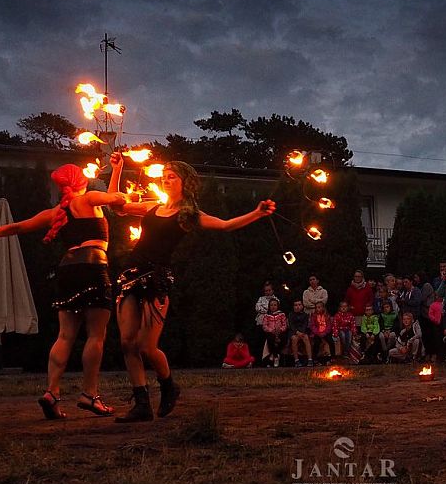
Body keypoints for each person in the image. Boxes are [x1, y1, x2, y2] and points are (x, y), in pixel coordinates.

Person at [108, 153, 274, 422]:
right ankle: (141, 404)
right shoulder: (152, 206)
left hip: (157, 280)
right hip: (130, 276)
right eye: (164, 176)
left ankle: (169, 386)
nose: (165, 179)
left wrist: (257, 213)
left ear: (185, 182)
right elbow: (116, 204)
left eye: (171, 176)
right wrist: (118, 169)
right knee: (128, 343)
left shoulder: (188, 215)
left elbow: (225, 225)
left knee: (147, 346)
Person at [0, 163, 128, 420]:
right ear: (79, 180)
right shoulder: (91, 198)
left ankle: (51, 392)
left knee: (65, 335)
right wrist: (126, 193)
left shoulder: (55, 213)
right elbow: (117, 200)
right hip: (93, 267)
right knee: (96, 335)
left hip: (67, 270)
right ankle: (89, 394)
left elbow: (16, 228)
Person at [262, 299, 288, 367]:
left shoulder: (282, 314)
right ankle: (276, 356)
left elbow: (285, 325)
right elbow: (264, 326)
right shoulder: (266, 315)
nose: (273, 306)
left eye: (275, 305)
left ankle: (273, 354)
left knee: (284, 338)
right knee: (270, 338)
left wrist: (280, 330)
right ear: (269, 306)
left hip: (280, 332)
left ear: (277, 306)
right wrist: (271, 330)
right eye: (271, 305)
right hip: (271, 332)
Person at [288, 300, 313, 366]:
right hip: (294, 332)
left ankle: (310, 359)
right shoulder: (291, 315)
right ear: (293, 307)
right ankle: (296, 360)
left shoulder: (305, 315)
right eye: (296, 305)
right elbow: (291, 325)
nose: (297, 307)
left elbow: (305, 325)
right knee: (294, 339)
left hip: (302, 331)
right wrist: (297, 332)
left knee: (306, 338)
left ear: (302, 306)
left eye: (299, 305)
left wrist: (301, 332)